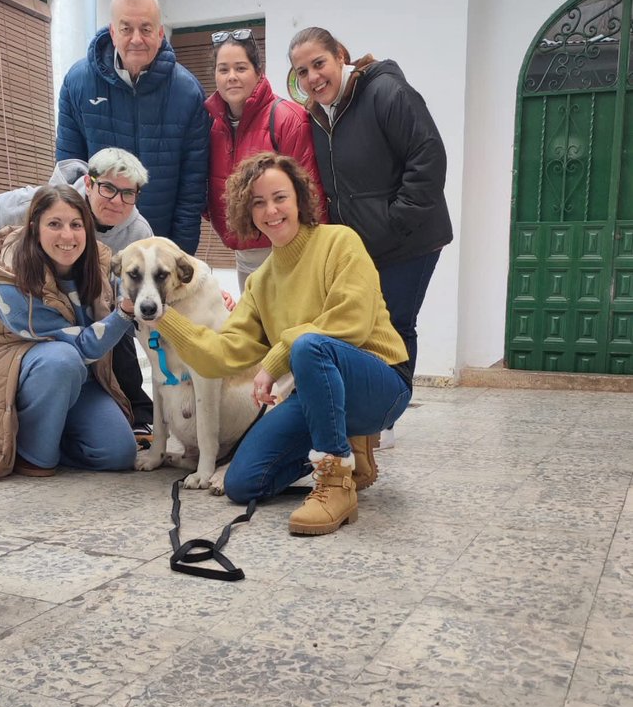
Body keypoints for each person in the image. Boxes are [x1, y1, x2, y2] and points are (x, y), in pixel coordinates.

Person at [128, 153, 412, 536]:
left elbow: (352, 322)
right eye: (258, 202)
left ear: (300, 198)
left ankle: (335, 482)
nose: (271, 210)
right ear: (248, 212)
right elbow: (223, 354)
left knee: (309, 347)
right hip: (317, 393)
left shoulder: (340, 242)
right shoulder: (261, 281)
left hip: (380, 384)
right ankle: (342, 446)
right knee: (243, 483)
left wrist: (277, 356)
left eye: (280, 197)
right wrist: (163, 315)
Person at [288, 27, 453, 446]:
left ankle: (387, 417)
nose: (312, 77)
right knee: (362, 327)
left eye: (319, 64)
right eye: (302, 71)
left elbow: (428, 156)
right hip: (362, 246)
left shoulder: (386, 93)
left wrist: (395, 222)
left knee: (396, 323)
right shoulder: (320, 114)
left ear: (340, 56)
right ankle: (367, 413)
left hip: (409, 242)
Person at [0, 149, 154, 453]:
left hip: (85, 309)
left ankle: (132, 411)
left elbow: (136, 295)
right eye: (108, 188)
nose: (116, 200)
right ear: (88, 183)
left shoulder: (138, 233)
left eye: (128, 193)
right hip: (27, 308)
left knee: (116, 329)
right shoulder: (28, 205)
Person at [55, 0, 209, 252]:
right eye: (126, 29)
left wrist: (179, 256)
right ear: (113, 33)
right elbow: (69, 173)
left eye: (146, 29)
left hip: (158, 249)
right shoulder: (78, 83)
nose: (136, 38)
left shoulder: (188, 92)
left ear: (160, 34)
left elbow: (191, 189)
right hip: (92, 247)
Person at [205, 28, 326, 290]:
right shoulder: (212, 127)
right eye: (223, 69)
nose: (232, 77)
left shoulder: (287, 119)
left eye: (240, 68)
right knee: (254, 331)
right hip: (243, 258)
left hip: (288, 253)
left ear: (258, 72)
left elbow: (312, 197)